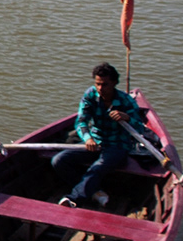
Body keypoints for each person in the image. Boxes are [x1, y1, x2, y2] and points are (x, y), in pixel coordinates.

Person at [52, 62, 149, 209]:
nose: (100, 89)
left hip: (118, 145)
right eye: (98, 84)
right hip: (96, 141)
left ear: (114, 83)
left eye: (105, 85)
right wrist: (88, 138)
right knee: (59, 160)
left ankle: (73, 199)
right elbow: (81, 121)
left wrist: (127, 118)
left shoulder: (125, 101)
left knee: (97, 168)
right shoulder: (90, 95)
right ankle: (94, 192)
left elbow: (140, 128)